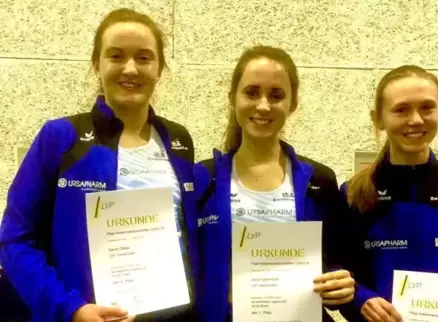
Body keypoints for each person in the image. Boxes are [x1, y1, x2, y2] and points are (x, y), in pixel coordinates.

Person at [0, 8, 198, 322]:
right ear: (97, 64)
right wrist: (71, 309)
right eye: (116, 56)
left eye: (144, 58)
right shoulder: (61, 137)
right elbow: (14, 239)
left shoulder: (179, 141)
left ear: (160, 68)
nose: (130, 69)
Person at [194, 45, 358, 322]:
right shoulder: (201, 178)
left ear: (292, 104)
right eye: (252, 92)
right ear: (233, 97)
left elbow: (335, 262)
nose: (263, 105)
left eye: (276, 95)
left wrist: (341, 283)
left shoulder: (320, 180)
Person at [342, 65, 438, 322]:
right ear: (378, 118)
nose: (416, 120)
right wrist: (361, 301)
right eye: (401, 109)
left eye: (427, 107)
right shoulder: (354, 194)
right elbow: (341, 275)